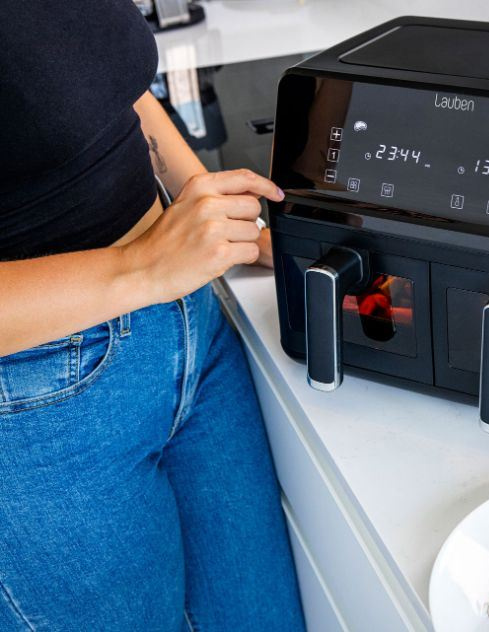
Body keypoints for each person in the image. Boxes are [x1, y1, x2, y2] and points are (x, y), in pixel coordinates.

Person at [0, 2, 305, 629]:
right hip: (39, 407)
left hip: (192, 322)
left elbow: (115, 87)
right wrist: (143, 265)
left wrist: (216, 212)